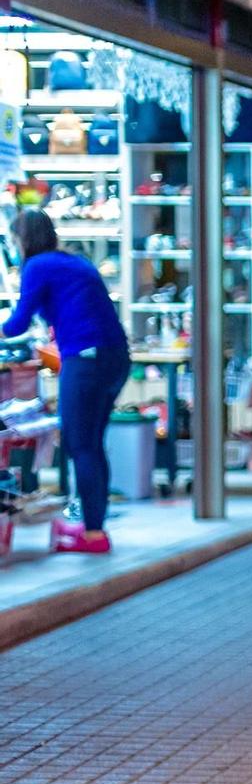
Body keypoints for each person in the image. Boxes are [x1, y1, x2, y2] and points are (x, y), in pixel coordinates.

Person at [1, 209, 130, 554]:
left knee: (78, 444)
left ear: (24, 240)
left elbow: (18, 323)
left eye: (14, 241)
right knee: (91, 443)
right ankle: (94, 530)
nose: (14, 248)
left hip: (86, 359)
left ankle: (92, 535)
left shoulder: (38, 266)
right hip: (114, 357)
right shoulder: (75, 262)